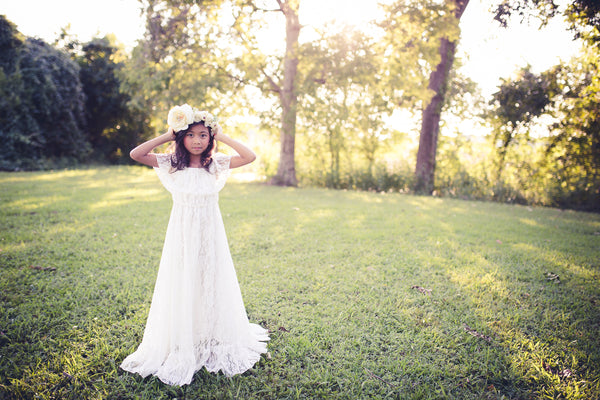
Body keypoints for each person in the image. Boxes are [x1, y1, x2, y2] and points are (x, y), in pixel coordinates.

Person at [120, 104, 269, 386]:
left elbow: (249, 156)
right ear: (181, 138)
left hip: (211, 234)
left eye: (203, 135)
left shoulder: (216, 164)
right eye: (191, 135)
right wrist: (167, 134)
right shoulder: (171, 163)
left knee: (208, 279)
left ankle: (210, 331)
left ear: (209, 138)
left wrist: (221, 135)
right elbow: (136, 154)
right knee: (184, 279)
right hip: (182, 235)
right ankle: (184, 332)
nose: (198, 141)